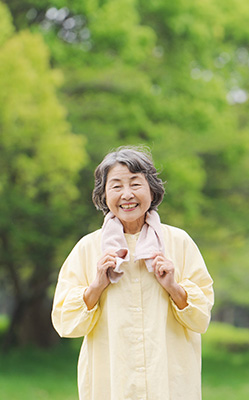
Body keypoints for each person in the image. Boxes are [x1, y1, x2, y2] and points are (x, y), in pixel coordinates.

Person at [52, 146, 214, 400]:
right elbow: (65, 321)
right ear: (104, 195)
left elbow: (201, 318)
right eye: (116, 186)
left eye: (135, 184)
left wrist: (173, 286)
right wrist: (96, 286)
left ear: (152, 190)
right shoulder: (88, 248)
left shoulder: (179, 243)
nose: (127, 194)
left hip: (170, 384)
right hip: (111, 384)